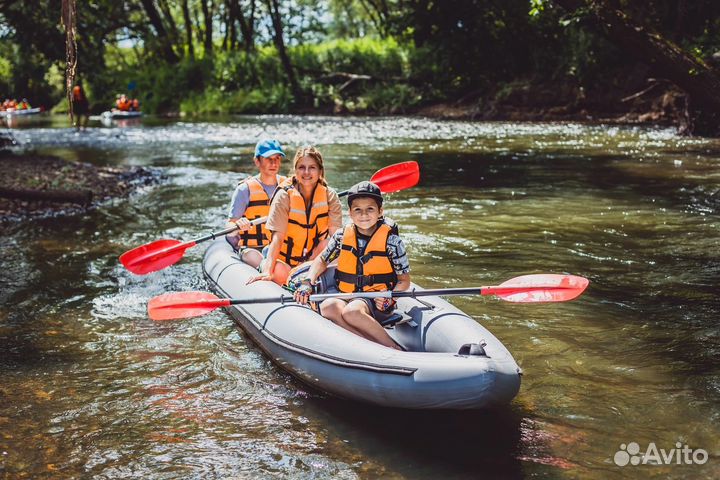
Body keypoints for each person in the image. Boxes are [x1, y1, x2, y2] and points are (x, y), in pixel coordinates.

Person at [293, 181, 411, 350]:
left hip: (376, 301)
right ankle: (369, 345)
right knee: (328, 306)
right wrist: (307, 282)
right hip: (347, 293)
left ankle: (392, 347)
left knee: (352, 311)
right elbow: (322, 260)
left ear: (380, 212)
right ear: (350, 213)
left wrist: (390, 298)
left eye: (370, 209)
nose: (364, 214)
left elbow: (404, 280)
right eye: (358, 210)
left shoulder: (392, 242)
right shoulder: (342, 236)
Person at [247, 145, 343, 285]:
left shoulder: (330, 196)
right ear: (295, 170)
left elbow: (336, 237)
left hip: (311, 260)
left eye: (312, 167)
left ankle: (309, 279)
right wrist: (268, 270)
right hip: (283, 260)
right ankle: (291, 281)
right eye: (301, 167)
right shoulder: (284, 195)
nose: (306, 172)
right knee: (279, 272)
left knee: (330, 244)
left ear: (320, 171)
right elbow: (277, 237)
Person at [226, 139, 287, 267]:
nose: (273, 163)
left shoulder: (288, 186)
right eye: (268, 158)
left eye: (277, 158)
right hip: (253, 249)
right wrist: (237, 224)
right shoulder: (244, 189)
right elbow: (230, 225)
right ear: (257, 161)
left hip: (281, 245)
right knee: (252, 257)